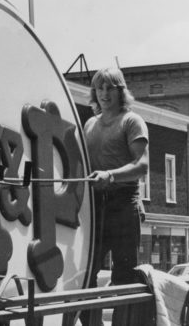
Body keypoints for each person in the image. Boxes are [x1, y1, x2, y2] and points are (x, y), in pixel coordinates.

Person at [80, 67, 150, 326]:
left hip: (123, 204)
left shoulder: (132, 121)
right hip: (94, 207)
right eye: (100, 88)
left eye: (111, 88)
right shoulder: (89, 124)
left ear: (121, 92)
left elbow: (142, 166)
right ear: (94, 92)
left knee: (124, 276)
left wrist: (110, 175)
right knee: (86, 273)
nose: (105, 93)